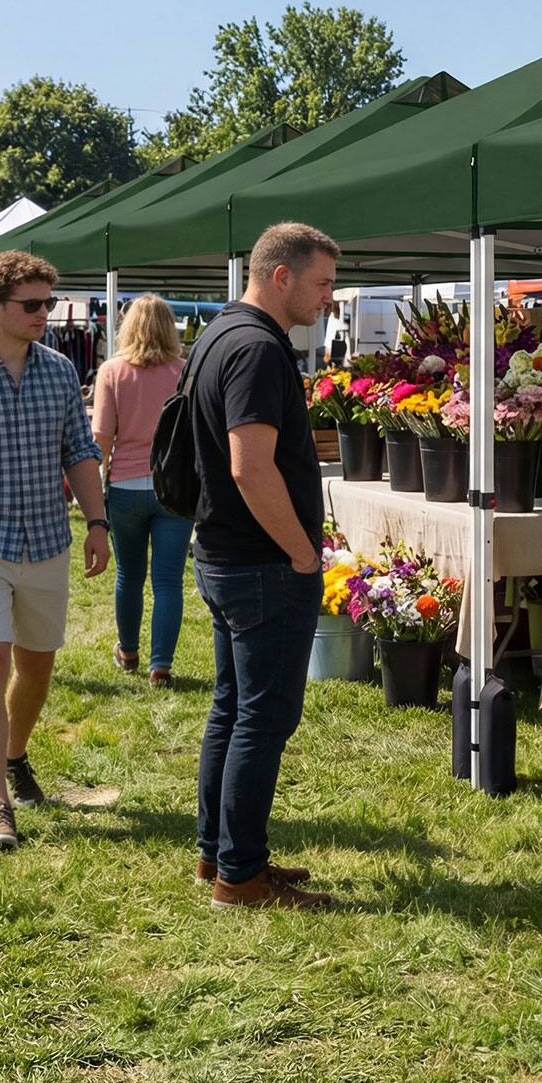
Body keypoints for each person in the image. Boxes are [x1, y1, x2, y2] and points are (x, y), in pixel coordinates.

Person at [0, 251, 109, 850]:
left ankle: (14, 754)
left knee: (37, 666)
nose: (44, 314)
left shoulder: (60, 372)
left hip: (44, 540)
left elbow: (79, 451)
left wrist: (98, 522)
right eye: (31, 304)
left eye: (48, 303)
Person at [189, 222, 338, 910]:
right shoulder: (255, 348)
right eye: (322, 283)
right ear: (281, 276)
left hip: (226, 555)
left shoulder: (223, 331)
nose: (328, 299)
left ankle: (221, 856)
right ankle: (239, 877)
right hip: (259, 564)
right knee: (262, 719)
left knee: (233, 711)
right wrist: (302, 553)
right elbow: (251, 467)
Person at [92, 295, 190, 686]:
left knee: (129, 575)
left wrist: (95, 486)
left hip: (125, 485)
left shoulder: (111, 371)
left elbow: (101, 436)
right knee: (168, 580)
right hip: (174, 488)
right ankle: (161, 664)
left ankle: (128, 651)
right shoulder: (184, 371)